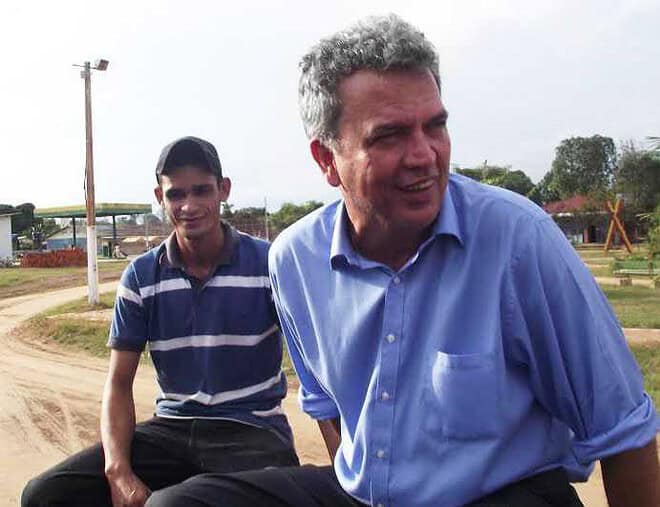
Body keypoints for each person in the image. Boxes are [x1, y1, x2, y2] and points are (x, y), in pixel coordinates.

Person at [145, 15, 659, 507]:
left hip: (505, 494)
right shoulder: (296, 260)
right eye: (388, 136)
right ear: (327, 160)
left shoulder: (516, 239)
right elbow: (330, 413)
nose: (424, 156)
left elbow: (623, 431)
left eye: (434, 127)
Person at [22, 136, 299, 507]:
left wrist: (342, 479)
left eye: (202, 191)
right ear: (160, 197)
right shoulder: (141, 276)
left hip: (252, 430)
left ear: (224, 189)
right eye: (176, 194)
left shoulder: (269, 265)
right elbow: (118, 383)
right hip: (173, 430)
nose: (189, 206)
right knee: (44, 495)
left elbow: (316, 373)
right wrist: (118, 471)